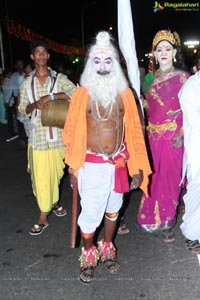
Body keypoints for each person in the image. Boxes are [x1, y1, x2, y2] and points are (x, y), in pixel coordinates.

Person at [62, 31, 151, 283]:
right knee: (91, 214)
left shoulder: (126, 94)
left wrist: (138, 167)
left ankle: (107, 246)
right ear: (91, 63)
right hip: (91, 165)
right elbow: (70, 133)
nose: (102, 66)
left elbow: (135, 133)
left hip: (120, 164)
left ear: (115, 64)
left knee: (114, 210)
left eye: (108, 60)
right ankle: (89, 253)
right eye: (97, 61)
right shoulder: (81, 95)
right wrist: (72, 168)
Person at [18, 40, 76, 235]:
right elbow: (22, 109)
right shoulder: (27, 83)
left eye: (44, 53)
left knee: (57, 174)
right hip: (37, 138)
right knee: (42, 178)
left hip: (58, 136)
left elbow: (75, 93)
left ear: (48, 56)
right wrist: (34, 104)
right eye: (37, 53)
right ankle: (43, 215)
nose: (41, 56)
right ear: (32, 57)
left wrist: (50, 97)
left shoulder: (59, 78)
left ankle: (55, 202)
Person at [137, 29, 190, 242]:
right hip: (153, 139)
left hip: (173, 137)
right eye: (160, 50)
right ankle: (152, 216)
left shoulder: (184, 78)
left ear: (175, 52)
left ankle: (167, 221)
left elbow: (191, 109)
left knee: (170, 179)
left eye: (168, 48)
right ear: (155, 55)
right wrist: (143, 104)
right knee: (153, 179)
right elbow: (154, 107)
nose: (164, 52)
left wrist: (183, 133)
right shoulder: (151, 78)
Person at [178, 69, 200, 254]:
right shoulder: (191, 87)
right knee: (196, 194)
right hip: (197, 150)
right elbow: (195, 122)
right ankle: (192, 234)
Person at [4, 59, 25, 142]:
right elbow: (10, 89)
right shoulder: (14, 76)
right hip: (17, 99)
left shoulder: (27, 75)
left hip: (26, 99)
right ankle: (21, 135)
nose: (20, 67)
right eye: (18, 65)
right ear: (16, 66)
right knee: (19, 117)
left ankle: (27, 134)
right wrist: (7, 100)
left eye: (21, 65)